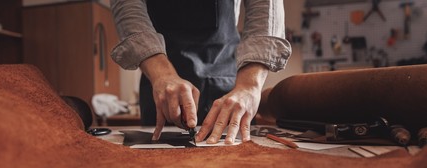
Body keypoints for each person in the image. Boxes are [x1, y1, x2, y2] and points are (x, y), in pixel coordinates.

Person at [110, 0, 291, 144]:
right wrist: (161, 74)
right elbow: (127, 4)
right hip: (158, 83)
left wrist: (249, 85)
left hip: (230, 86)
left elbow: (266, 4)